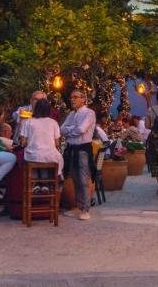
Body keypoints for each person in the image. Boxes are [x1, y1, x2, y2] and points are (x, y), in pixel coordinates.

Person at [60, 88, 97, 220]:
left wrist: (69, 130)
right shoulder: (71, 114)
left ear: (83, 99)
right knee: (74, 178)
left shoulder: (89, 113)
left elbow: (81, 130)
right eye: (71, 97)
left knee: (83, 179)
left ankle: (86, 209)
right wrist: (71, 130)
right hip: (71, 149)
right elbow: (61, 130)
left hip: (82, 150)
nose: (73, 100)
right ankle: (78, 207)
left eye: (76, 97)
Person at [19, 96, 64, 176]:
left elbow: (23, 143)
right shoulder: (53, 123)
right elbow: (57, 143)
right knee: (48, 160)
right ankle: (45, 184)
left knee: (35, 160)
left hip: (32, 155)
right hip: (50, 156)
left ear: (36, 109)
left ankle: (35, 183)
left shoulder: (28, 122)